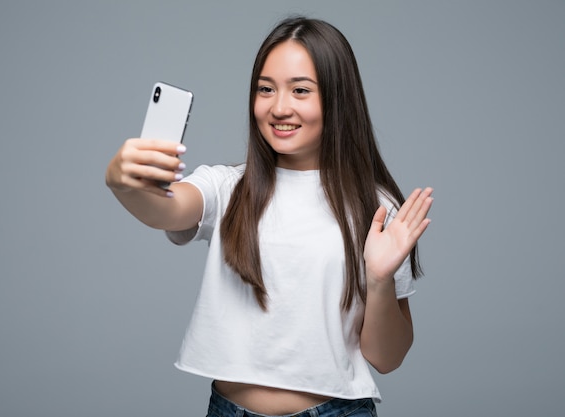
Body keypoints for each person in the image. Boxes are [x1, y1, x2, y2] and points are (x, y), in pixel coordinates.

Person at [106, 16, 433, 417]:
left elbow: (387, 358)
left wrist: (380, 280)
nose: (279, 107)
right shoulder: (228, 187)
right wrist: (124, 184)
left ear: (337, 98)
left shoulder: (375, 207)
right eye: (265, 89)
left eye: (300, 90)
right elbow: (165, 210)